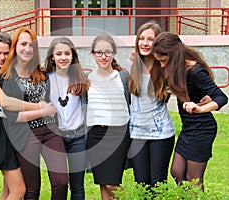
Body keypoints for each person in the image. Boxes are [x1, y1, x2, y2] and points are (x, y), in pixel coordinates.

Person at [0, 32, 55, 199]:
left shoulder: (8, 74)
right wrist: (39, 107)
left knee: (7, 190)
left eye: (6, 53)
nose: (1, 57)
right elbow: (5, 102)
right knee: (19, 190)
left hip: (16, 130)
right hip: (0, 130)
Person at [0, 27, 68, 200]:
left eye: (31, 45)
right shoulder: (6, 77)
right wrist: (42, 110)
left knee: (61, 181)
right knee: (32, 188)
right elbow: (14, 116)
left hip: (50, 131)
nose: (27, 48)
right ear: (15, 46)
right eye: (23, 44)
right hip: (25, 134)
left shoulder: (42, 73)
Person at [152, 31, 228, 190]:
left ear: (175, 55)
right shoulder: (177, 69)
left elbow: (221, 97)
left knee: (193, 179)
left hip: (202, 129)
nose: (162, 65)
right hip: (188, 128)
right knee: (176, 172)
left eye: (164, 61)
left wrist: (199, 108)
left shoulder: (195, 71)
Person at [127, 21, 175, 188]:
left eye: (150, 39)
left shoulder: (165, 67)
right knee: (141, 183)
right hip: (137, 134)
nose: (145, 43)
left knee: (158, 184)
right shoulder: (131, 66)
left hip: (161, 134)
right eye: (141, 38)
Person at [45, 37, 90, 200]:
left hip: (77, 137)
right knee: (59, 183)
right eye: (59, 54)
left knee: (77, 185)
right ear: (52, 57)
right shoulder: (45, 79)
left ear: (73, 56)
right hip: (56, 136)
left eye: (67, 53)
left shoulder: (81, 78)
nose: (63, 57)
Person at [86, 34, 130, 200]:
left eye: (108, 52)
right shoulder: (87, 78)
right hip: (95, 136)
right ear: (93, 54)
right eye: (99, 52)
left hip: (118, 135)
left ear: (114, 54)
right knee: (104, 183)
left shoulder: (123, 77)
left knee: (113, 183)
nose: (103, 57)